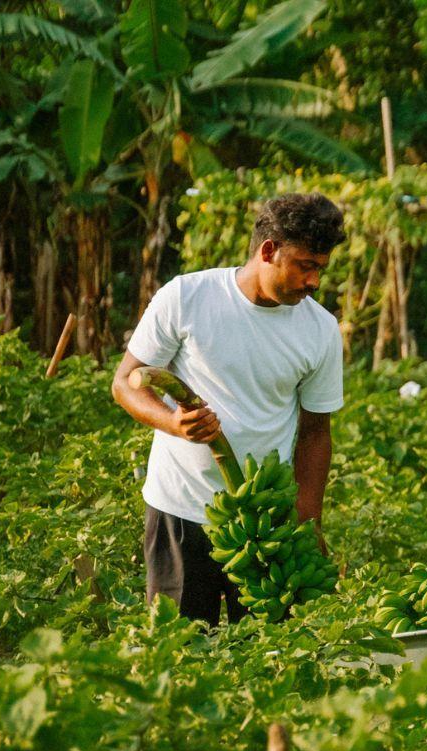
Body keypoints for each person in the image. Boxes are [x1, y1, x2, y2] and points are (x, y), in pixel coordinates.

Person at [112, 193, 346, 624]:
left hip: (264, 520)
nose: (314, 281)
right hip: (179, 509)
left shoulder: (320, 330)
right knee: (178, 652)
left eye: (320, 268)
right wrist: (173, 423)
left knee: (267, 658)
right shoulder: (187, 296)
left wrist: (309, 523)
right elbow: (126, 382)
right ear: (269, 251)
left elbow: (316, 431)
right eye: (305, 265)